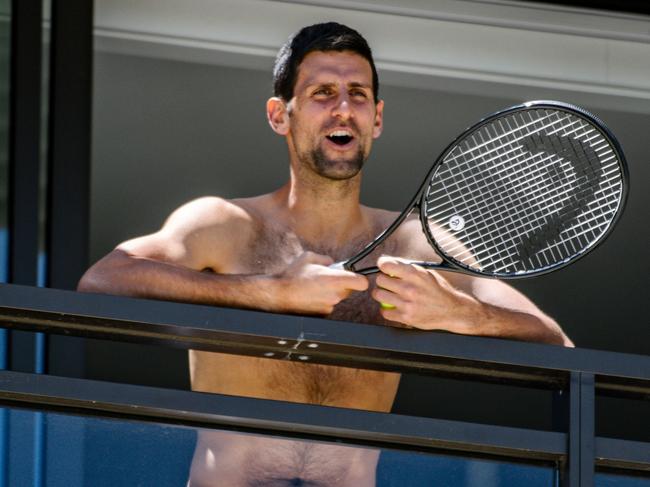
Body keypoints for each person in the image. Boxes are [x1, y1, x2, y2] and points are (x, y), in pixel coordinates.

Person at [78, 22, 573, 486]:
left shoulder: (416, 243)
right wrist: (273, 294)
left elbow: (556, 344)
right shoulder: (224, 224)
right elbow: (104, 280)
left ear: (376, 118)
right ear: (280, 115)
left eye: (358, 94)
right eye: (322, 94)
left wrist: (463, 313)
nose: (343, 109)